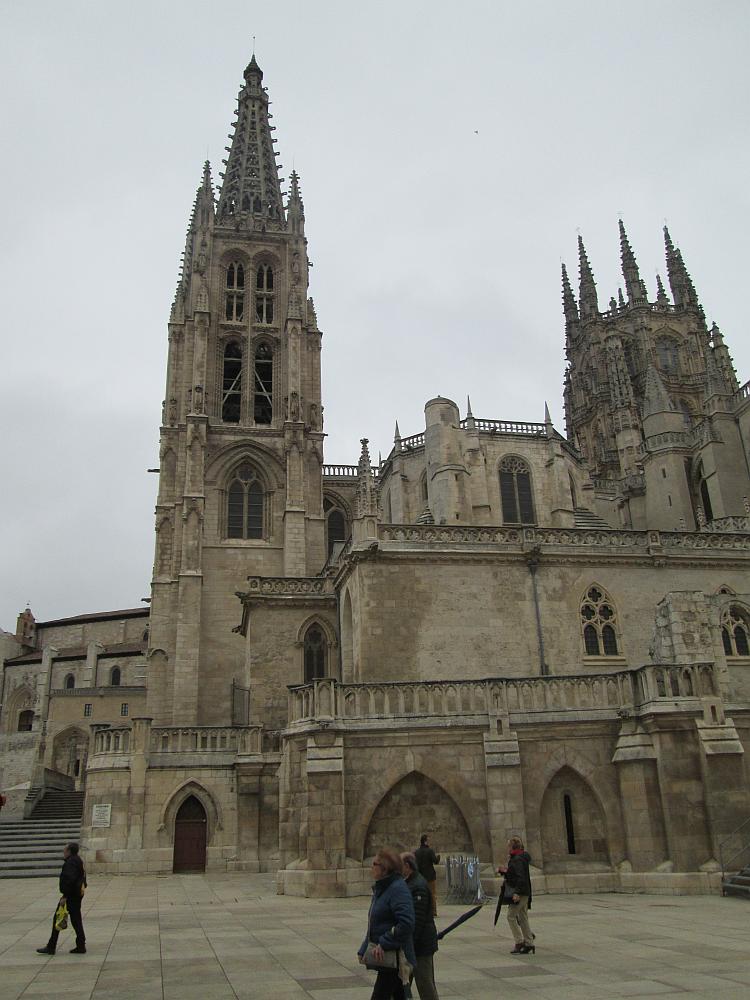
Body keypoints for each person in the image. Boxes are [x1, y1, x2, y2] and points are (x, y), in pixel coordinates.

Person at [358, 848, 416, 999]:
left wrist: (384, 943)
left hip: (396, 958)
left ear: (385, 869)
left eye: (374, 864)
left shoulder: (397, 889)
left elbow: (406, 923)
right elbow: (374, 922)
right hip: (387, 959)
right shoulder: (382, 888)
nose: (371, 867)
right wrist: (364, 948)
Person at [401, 852, 439, 1000]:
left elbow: (418, 920)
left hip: (421, 946)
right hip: (413, 945)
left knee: (425, 984)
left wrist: (409, 944)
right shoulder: (409, 882)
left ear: (407, 866)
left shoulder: (418, 885)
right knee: (401, 985)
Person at [37, 842, 87, 955]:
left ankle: (51, 946)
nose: (63, 852)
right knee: (75, 920)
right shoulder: (77, 860)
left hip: (71, 896)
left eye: (64, 850)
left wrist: (65, 896)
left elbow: (70, 880)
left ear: (69, 851)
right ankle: (80, 945)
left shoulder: (71, 863)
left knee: (59, 918)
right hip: (76, 895)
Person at [496, 836, 534, 954]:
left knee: (511, 916)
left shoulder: (517, 859)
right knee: (522, 917)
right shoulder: (520, 858)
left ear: (512, 847)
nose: (507, 848)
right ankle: (529, 943)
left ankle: (519, 941)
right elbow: (515, 874)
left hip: (520, 893)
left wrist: (517, 893)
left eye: (508, 846)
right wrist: (505, 872)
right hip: (525, 891)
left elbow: (520, 877)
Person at [414, 834, 440, 916]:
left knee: (422, 894)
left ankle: (423, 910)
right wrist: (438, 857)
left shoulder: (416, 852)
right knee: (432, 894)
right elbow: (435, 861)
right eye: (428, 840)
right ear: (425, 841)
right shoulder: (430, 851)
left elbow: (416, 865)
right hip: (430, 876)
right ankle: (433, 911)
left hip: (421, 877)